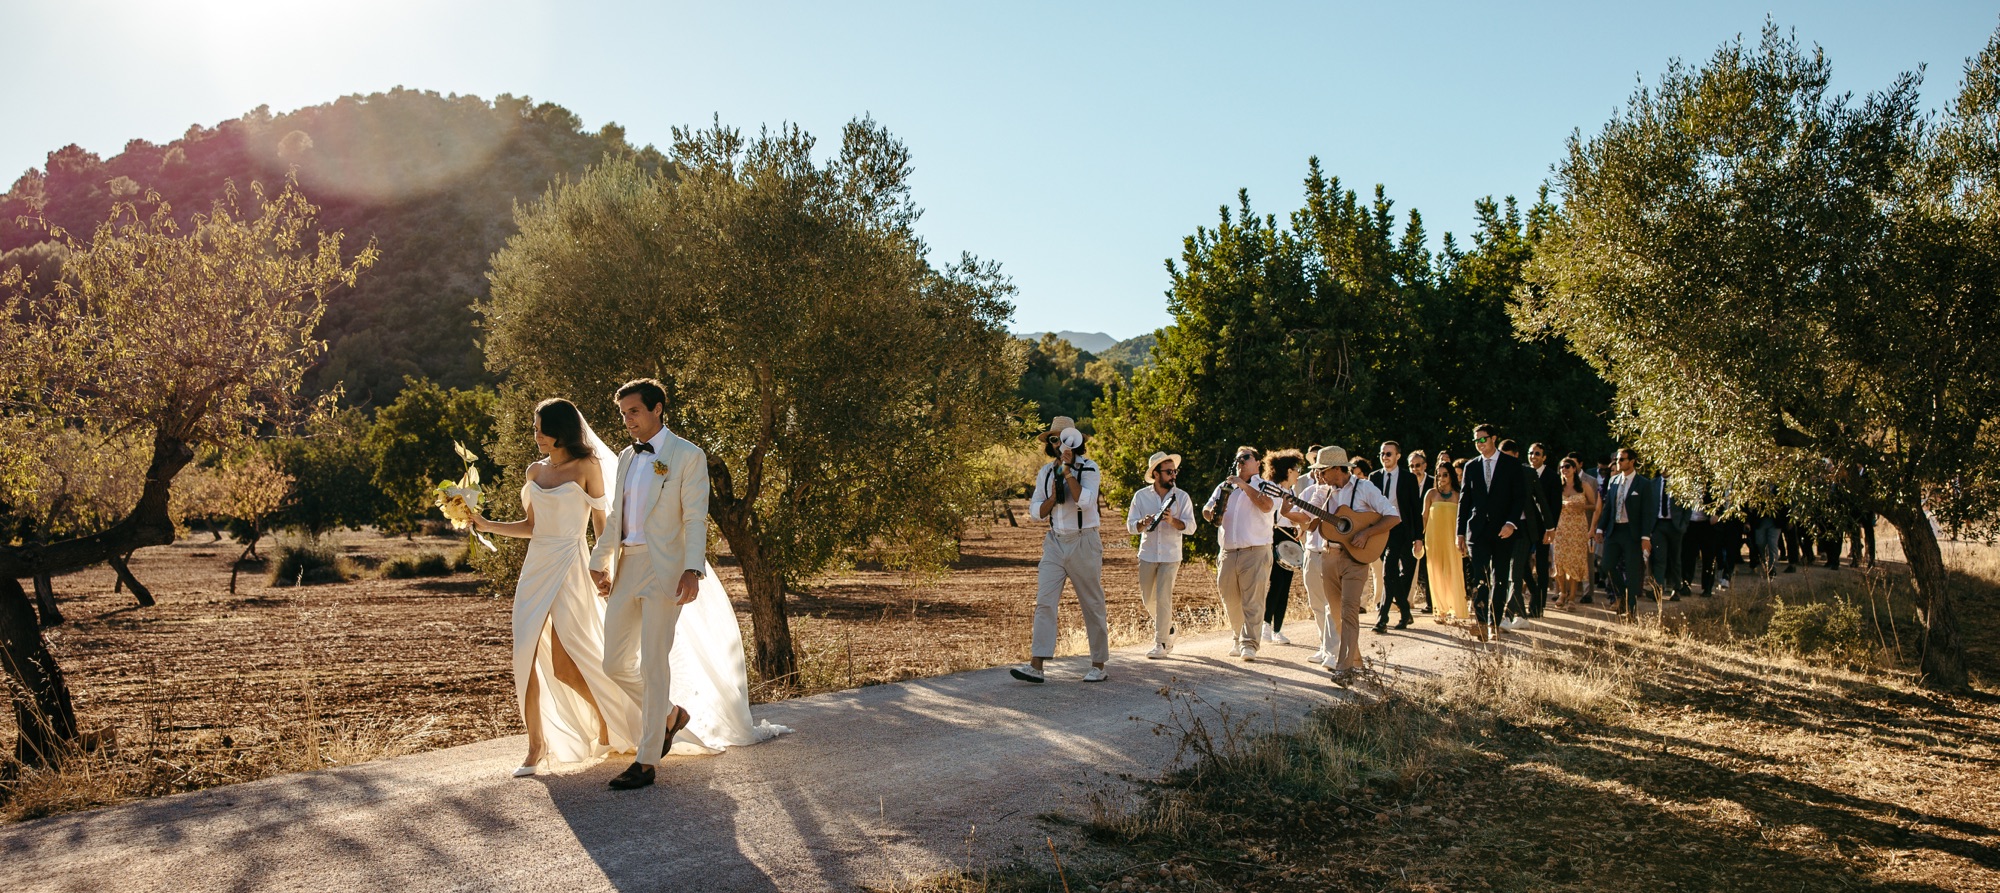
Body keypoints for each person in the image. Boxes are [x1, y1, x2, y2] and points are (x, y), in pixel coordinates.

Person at [589, 379, 788, 790]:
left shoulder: (688, 456)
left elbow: (696, 518)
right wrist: (599, 562)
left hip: (666, 570)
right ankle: (670, 714)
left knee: (654, 661)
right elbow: (615, 517)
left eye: (635, 412)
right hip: (627, 566)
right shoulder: (627, 456)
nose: (628, 421)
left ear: (657, 408)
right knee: (613, 662)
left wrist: (691, 569)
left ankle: (645, 762)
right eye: (623, 413)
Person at [468, 398, 637, 776]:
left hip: (571, 567)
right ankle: (535, 747)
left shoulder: (587, 466)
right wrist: (486, 524)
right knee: (525, 657)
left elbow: (600, 522)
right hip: (535, 570)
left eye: (543, 429)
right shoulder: (534, 471)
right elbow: (532, 527)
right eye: (534, 429)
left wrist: (603, 567)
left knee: (563, 666)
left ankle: (607, 720)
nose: (537, 435)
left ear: (562, 430)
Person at [1282, 446, 1399, 681]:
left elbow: (1393, 516)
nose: (1319, 475)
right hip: (1328, 557)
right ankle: (1355, 662)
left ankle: (1344, 669)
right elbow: (1307, 519)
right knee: (1335, 614)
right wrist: (1286, 507)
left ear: (1337, 468)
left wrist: (1366, 534)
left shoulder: (1364, 487)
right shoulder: (1322, 492)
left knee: (1348, 612)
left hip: (1356, 558)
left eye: (1323, 470)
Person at [1013, 417, 1109, 683]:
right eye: (1054, 439)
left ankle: (1099, 665)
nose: (1058, 443)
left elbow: (1086, 502)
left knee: (1092, 604)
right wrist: (1053, 498)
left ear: (1074, 441)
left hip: (1084, 541)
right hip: (1054, 542)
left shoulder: (1089, 468)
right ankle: (1037, 665)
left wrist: (1068, 472)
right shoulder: (1045, 472)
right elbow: (1036, 512)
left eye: (1063, 438)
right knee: (1045, 601)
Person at [1204, 446, 1277, 661]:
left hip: (1255, 550)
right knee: (1229, 598)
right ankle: (1237, 636)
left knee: (1253, 600)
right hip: (1228, 551)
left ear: (1257, 463)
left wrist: (1244, 486)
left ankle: (1250, 644)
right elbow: (1206, 509)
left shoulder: (1266, 485)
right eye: (1238, 458)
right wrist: (1212, 514)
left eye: (1246, 457)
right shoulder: (1223, 486)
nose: (1241, 461)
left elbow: (1267, 506)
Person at [1456, 424, 1526, 642]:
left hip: (1503, 530)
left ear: (1494, 438)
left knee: (1500, 578)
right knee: (1480, 577)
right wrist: (1459, 533)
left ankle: (1495, 622)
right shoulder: (1471, 466)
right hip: (1477, 531)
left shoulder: (1511, 465)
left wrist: (1511, 523)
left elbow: (1519, 498)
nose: (1480, 444)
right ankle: (1481, 623)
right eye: (1476, 441)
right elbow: (1464, 500)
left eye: (1483, 439)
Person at [1126, 450, 1195, 659]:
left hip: (1171, 555)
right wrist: (1143, 523)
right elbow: (1131, 526)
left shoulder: (1182, 497)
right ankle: (1170, 629)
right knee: (1148, 599)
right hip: (1147, 554)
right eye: (1168, 471)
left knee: (1163, 598)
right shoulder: (1140, 496)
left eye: (1174, 471)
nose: (1173, 475)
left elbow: (1191, 527)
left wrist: (1172, 521)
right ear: (1156, 474)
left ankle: (1161, 643)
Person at [1594, 448, 1657, 616]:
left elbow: (1648, 512)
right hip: (1614, 531)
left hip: (1632, 533)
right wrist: (1600, 528)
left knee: (1632, 571)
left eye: (1622, 459)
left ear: (1632, 461)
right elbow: (1608, 507)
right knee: (1606, 565)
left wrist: (1645, 536)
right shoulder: (1613, 481)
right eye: (1617, 460)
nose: (1618, 463)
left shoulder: (1643, 483)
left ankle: (1631, 610)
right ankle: (1621, 595)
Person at [1370, 441, 1424, 633]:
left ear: (1398, 456)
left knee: (1388, 571)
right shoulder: (1374, 477)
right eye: (1382, 454)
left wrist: (1419, 538)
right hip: (1381, 530)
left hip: (1401, 529)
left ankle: (1382, 619)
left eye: (1389, 454)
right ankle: (1405, 611)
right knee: (1391, 574)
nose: (1385, 457)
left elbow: (1416, 510)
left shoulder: (1409, 478)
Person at [1499, 439, 1549, 628]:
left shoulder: (1528, 473)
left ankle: (1507, 615)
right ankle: (1521, 615)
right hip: (1503, 530)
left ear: (1516, 456)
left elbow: (1542, 501)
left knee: (1515, 571)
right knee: (1507, 573)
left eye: (1509, 456)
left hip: (1524, 530)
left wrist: (1550, 528)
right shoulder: (1497, 474)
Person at [1262, 449, 1307, 645]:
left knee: (1286, 584)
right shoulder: (1271, 488)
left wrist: (1300, 527)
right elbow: (1271, 514)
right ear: (1288, 470)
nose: (1299, 472)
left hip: (1290, 536)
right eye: (1297, 469)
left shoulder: (1292, 491)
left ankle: (1277, 629)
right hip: (1276, 535)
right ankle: (1265, 624)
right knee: (1275, 583)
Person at [1549, 457, 1600, 610]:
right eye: (1562, 467)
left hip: (1578, 528)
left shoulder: (1584, 486)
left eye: (1568, 466)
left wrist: (1582, 506)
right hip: (1561, 528)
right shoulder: (1557, 486)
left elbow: (1595, 505)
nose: (1564, 469)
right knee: (1559, 560)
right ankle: (1562, 592)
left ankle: (1571, 597)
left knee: (1575, 562)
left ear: (1574, 469)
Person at [1422, 459, 1468, 622]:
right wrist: (1419, 539)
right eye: (1438, 474)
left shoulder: (1458, 494)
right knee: (1436, 572)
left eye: (1445, 474)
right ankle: (1440, 609)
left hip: (1452, 539)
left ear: (1451, 476)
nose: (1441, 477)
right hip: (1433, 539)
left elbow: (1463, 519)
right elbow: (1424, 517)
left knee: (1454, 571)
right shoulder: (1431, 494)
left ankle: (1456, 607)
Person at [1525, 443, 1563, 617]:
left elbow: (1555, 506)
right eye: (1531, 453)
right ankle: (1535, 593)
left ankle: (1538, 606)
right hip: (1525, 526)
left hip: (1543, 528)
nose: (1533, 456)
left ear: (1544, 457)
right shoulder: (1523, 473)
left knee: (1541, 566)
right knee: (1523, 564)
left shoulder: (1552, 477)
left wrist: (1551, 528)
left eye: (1537, 454)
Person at [1650, 470, 1692, 600]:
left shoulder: (1680, 483)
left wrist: (1683, 525)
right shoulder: (1653, 484)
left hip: (1675, 526)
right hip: (1658, 525)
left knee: (1675, 558)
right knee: (1659, 558)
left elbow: (1687, 507)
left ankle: (1676, 589)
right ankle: (1658, 589)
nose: (1664, 469)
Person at [1407, 450, 1433, 613]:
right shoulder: (1406, 482)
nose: (1415, 469)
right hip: (1410, 530)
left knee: (1429, 567)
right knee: (1408, 567)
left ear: (1425, 465)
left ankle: (1431, 602)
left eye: (1418, 465)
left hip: (1430, 530)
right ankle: (1406, 602)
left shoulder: (1434, 482)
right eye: (1411, 466)